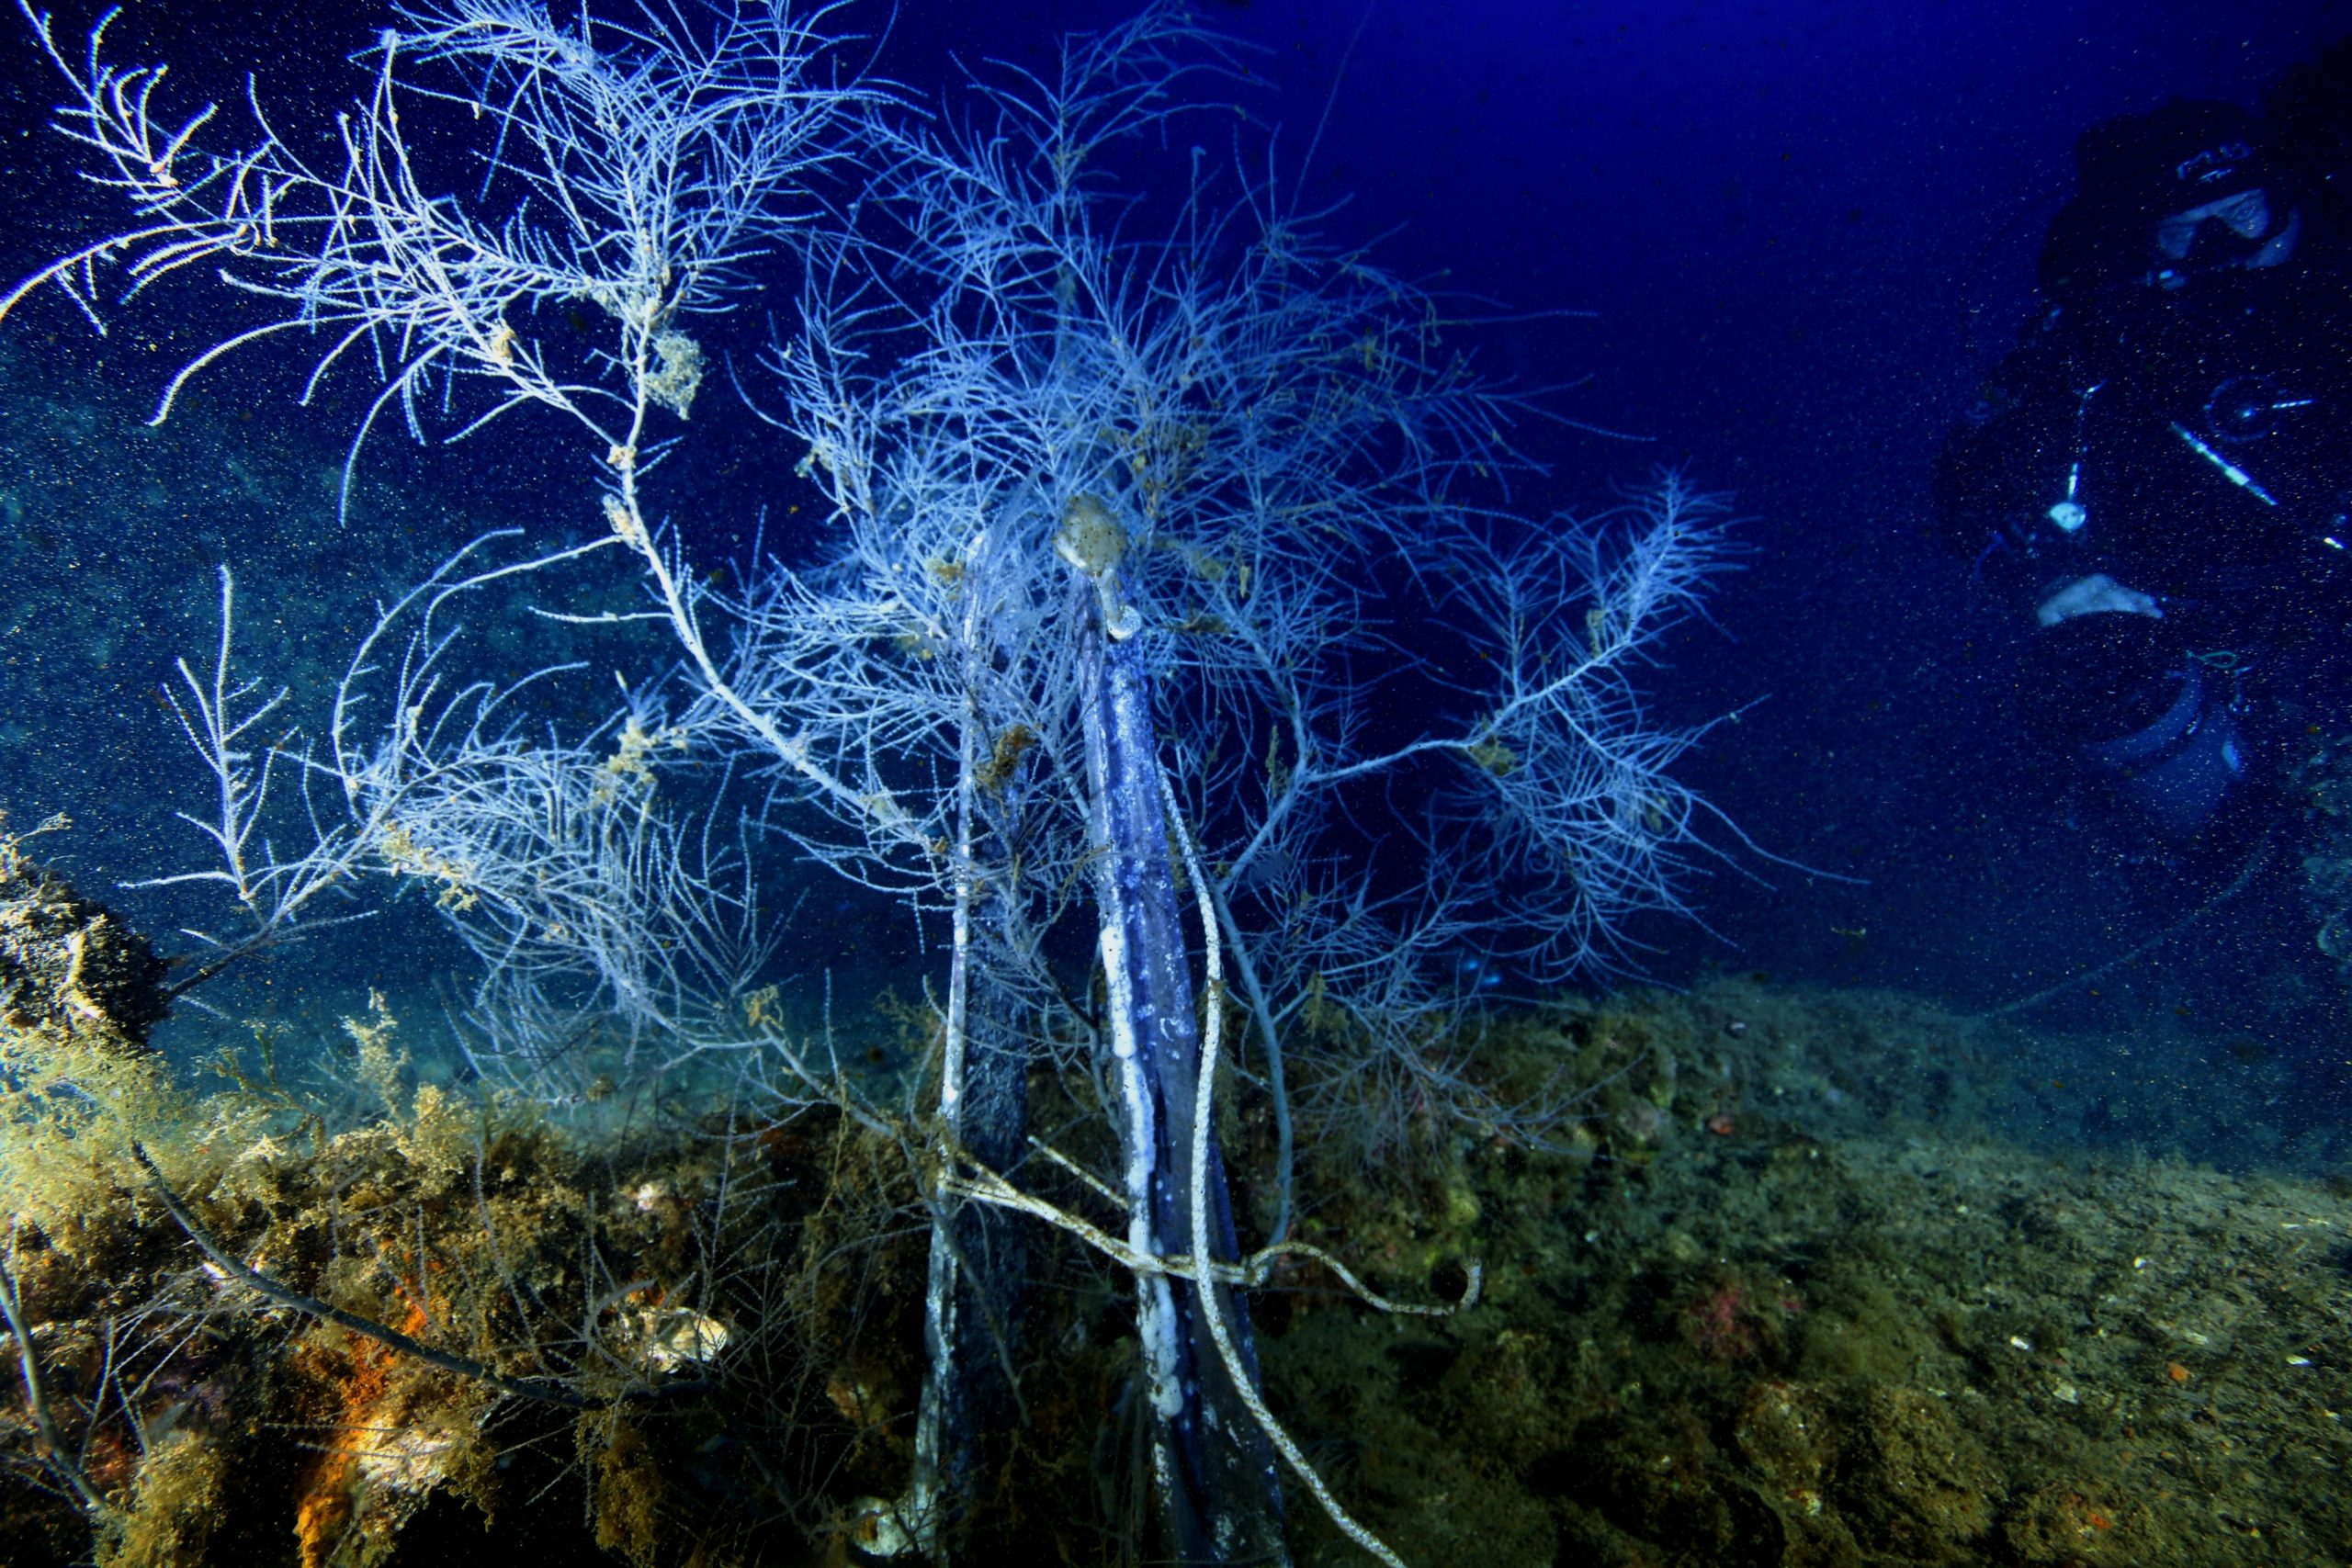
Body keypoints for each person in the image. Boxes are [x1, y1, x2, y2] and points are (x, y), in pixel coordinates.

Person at [1935, 48, 2352, 843]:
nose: (2221, 248)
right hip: (2210, 636)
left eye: (2242, 214)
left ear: (2290, 199)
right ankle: (2222, 864)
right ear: (2146, 244)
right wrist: (2046, 577)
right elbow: (1967, 475)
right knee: (2094, 686)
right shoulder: (2105, 341)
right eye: (2184, 232)